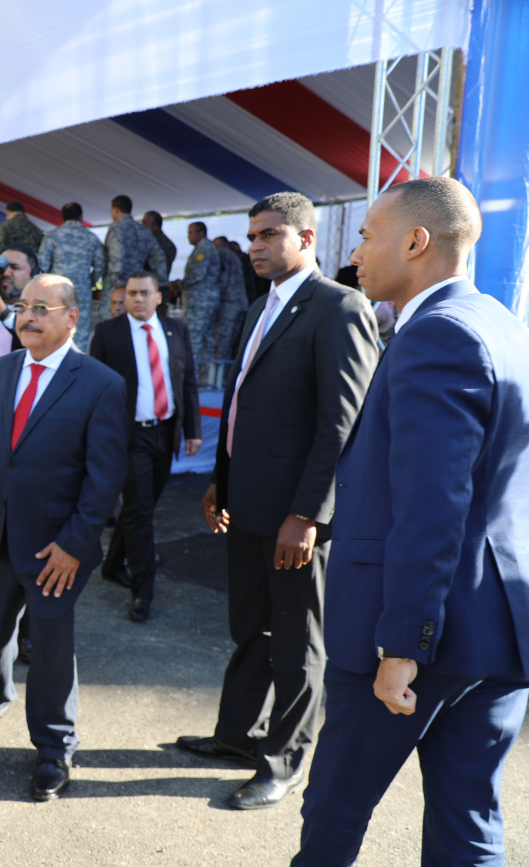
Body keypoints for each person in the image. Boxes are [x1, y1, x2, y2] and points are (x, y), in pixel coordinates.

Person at [292, 177, 529, 866]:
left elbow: (433, 503)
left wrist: (404, 643)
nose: (355, 252)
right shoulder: (500, 323)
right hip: (497, 629)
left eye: (367, 236)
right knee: (468, 823)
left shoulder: (438, 334)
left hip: (411, 633)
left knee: (334, 815)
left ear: (417, 242)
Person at [177, 191, 378, 810]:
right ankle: (235, 737)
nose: (255, 246)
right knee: (250, 628)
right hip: (247, 504)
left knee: (297, 639)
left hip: (296, 516)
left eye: (269, 235)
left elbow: (341, 426)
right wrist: (222, 480)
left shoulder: (339, 307)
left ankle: (284, 761)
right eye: (252, 236)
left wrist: (308, 514)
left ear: (306, 238)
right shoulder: (257, 308)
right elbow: (242, 404)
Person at [0, 273, 127, 801]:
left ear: (72, 318)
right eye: (22, 306)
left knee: (52, 650)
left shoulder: (100, 383)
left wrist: (75, 545)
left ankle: (55, 749)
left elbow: (104, 479)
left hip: (56, 549)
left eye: (41, 308)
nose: (27, 316)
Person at [90, 271, 201, 622]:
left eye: (144, 293)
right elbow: (96, 389)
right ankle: (143, 591)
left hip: (165, 433)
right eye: (132, 293)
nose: (137, 299)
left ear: (158, 297)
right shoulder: (108, 333)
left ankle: (112, 565)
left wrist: (193, 431)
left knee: (142, 506)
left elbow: (187, 381)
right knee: (140, 512)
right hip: (131, 436)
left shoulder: (176, 330)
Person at [37, 202, 105, 353]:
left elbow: (42, 266)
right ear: (80, 217)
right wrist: (90, 282)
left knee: (55, 327)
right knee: (81, 334)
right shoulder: (90, 237)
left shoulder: (52, 236)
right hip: (81, 294)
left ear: (63, 217)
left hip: (55, 293)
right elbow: (100, 265)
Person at [104, 196, 167, 322]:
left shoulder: (116, 228)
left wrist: (117, 279)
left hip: (116, 285)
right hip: (138, 284)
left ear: (116, 210)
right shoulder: (143, 230)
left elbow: (117, 253)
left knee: (112, 322)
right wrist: (157, 281)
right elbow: (159, 257)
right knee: (135, 320)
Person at [176, 222, 222, 381]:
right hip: (205, 301)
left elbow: (197, 274)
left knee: (194, 339)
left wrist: (180, 284)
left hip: (200, 302)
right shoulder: (205, 248)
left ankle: (193, 378)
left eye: (191, 233)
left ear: (201, 233)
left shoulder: (203, 249)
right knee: (206, 339)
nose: (188, 236)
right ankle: (205, 378)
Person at [213, 235, 249, 366]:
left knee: (221, 344)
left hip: (229, 305)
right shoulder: (233, 256)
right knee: (231, 344)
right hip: (241, 304)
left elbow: (222, 280)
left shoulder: (222, 254)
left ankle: (219, 374)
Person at [142, 210, 177, 277]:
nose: (142, 226)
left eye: (144, 222)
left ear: (153, 224)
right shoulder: (170, 244)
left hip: (149, 281)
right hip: (161, 281)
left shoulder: (151, 243)